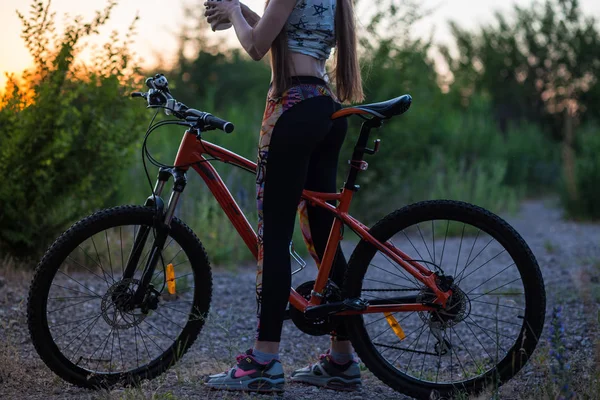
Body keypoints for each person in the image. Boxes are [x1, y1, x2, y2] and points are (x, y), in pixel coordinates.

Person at [203, 0, 364, 392]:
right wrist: (239, 9)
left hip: (291, 109)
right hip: (324, 108)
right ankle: (342, 359)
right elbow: (286, 36)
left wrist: (235, 14)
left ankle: (263, 360)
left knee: (273, 237)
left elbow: (257, 47)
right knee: (325, 240)